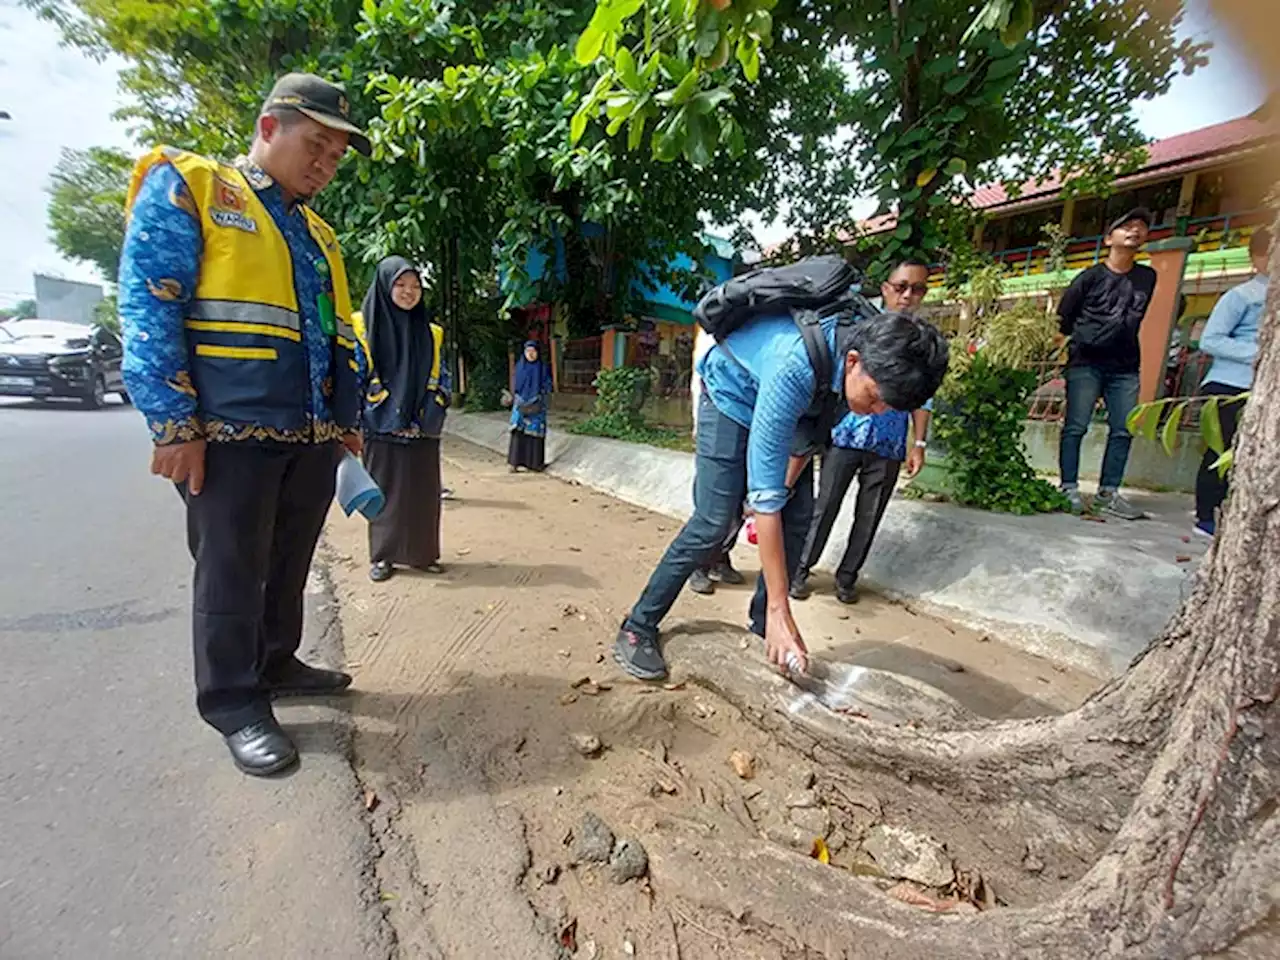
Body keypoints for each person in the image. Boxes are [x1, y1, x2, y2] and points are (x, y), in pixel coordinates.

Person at [119, 73, 370, 776]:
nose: (324, 164)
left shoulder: (317, 232)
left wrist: (346, 421)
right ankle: (232, 700)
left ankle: (277, 660)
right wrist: (173, 424)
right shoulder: (194, 188)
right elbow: (148, 306)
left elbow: (338, 332)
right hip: (227, 435)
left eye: (335, 156)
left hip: (311, 435)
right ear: (268, 127)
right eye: (314, 145)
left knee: (286, 564)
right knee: (232, 571)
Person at [612, 309, 949, 682]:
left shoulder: (856, 368)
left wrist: (784, 488)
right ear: (853, 363)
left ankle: (762, 635)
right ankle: (638, 625)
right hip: (731, 394)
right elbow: (765, 501)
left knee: (798, 522)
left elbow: (805, 443)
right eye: (875, 399)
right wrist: (780, 608)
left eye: (889, 407)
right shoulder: (796, 365)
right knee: (715, 521)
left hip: (796, 406)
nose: (878, 411)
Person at [790, 259, 934, 604]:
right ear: (885, 288)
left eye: (917, 289)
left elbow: (924, 399)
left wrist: (919, 443)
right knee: (823, 507)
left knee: (869, 515)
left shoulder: (923, 345)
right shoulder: (862, 329)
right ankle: (800, 570)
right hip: (844, 435)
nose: (907, 296)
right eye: (901, 287)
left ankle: (847, 578)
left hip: (889, 443)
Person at [1057, 207, 1157, 520]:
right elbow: (1064, 319)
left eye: (1140, 226)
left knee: (1123, 430)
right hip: (1086, 363)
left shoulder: (1147, 277)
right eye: (1126, 226)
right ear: (1108, 238)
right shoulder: (1088, 278)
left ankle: (1109, 492)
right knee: (1075, 427)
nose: (1134, 231)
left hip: (1125, 366)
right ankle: (1069, 488)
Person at [355, 256, 451, 582]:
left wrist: (435, 405)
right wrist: (377, 406)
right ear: (384, 285)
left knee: (423, 494)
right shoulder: (362, 326)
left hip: (423, 424)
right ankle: (383, 556)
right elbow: (354, 374)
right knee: (384, 493)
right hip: (380, 422)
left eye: (415, 286)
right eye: (400, 284)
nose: (409, 292)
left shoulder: (432, 331)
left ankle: (423, 555)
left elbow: (444, 375)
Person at [1193, 226, 1271, 538]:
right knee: (1220, 451)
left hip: (1262, 389)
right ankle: (1205, 517)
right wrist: (1258, 354)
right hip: (1229, 385)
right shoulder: (1242, 296)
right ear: (1257, 258)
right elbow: (1210, 340)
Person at [687, 326, 745, 595]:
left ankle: (721, 557)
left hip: (747, 427)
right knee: (711, 505)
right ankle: (698, 565)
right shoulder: (713, 331)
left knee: (738, 504)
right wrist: (699, 426)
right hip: (716, 425)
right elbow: (698, 380)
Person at [508, 340, 553, 472]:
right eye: (528, 351)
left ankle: (535, 464)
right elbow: (515, 385)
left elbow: (547, 384)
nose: (531, 354)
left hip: (537, 404)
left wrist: (540, 396)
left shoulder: (542, 368)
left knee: (536, 433)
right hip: (520, 403)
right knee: (518, 432)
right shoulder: (519, 367)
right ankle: (514, 463)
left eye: (533, 351)